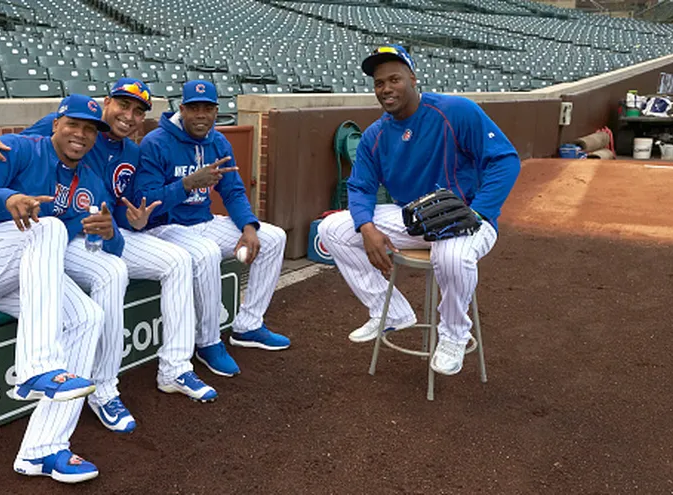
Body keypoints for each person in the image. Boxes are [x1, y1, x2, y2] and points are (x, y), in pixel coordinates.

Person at [0, 79, 218, 422]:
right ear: (106, 103)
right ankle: (103, 388)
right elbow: (13, 144)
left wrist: (134, 219)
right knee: (110, 272)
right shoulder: (76, 126)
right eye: (122, 106)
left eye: (138, 112)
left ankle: (175, 368)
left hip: (96, 232)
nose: (129, 116)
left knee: (178, 260)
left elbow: (122, 211)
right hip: (54, 232)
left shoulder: (133, 152)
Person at [0, 94, 124, 483]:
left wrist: (111, 233)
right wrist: (9, 198)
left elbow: (112, 241)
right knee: (50, 226)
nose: (81, 134)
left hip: (14, 279)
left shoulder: (88, 179)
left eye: (90, 129)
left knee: (88, 316)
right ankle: (37, 367)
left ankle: (43, 449)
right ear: (55, 124)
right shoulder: (20, 148)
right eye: (73, 124)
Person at [318, 45, 520, 376]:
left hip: (466, 217)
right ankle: (391, 312)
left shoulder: (455, 111)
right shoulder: (375, 134)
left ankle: (454, 334)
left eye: (394, 79)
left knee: (451, 258)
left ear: (413, 78)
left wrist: (480, 212)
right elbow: (360, 186)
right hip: (413, 217)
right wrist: (367, 227)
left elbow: (504, 159)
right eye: (379, 83)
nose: (385, 89)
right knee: (334, 230)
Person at [133, 80, 291, 378]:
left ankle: (248, 325)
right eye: (194, 108)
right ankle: (207, 342)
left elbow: (232, 191)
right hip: (164, 227)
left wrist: (248, 226)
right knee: (206, 254)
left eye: (208, 108)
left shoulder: (218, 141)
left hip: (203, 222)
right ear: (181, 109)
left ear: (217, 111)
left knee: (273, 238)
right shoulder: (155, 142)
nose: (201, 115)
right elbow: (148, 201)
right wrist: (188, 183)